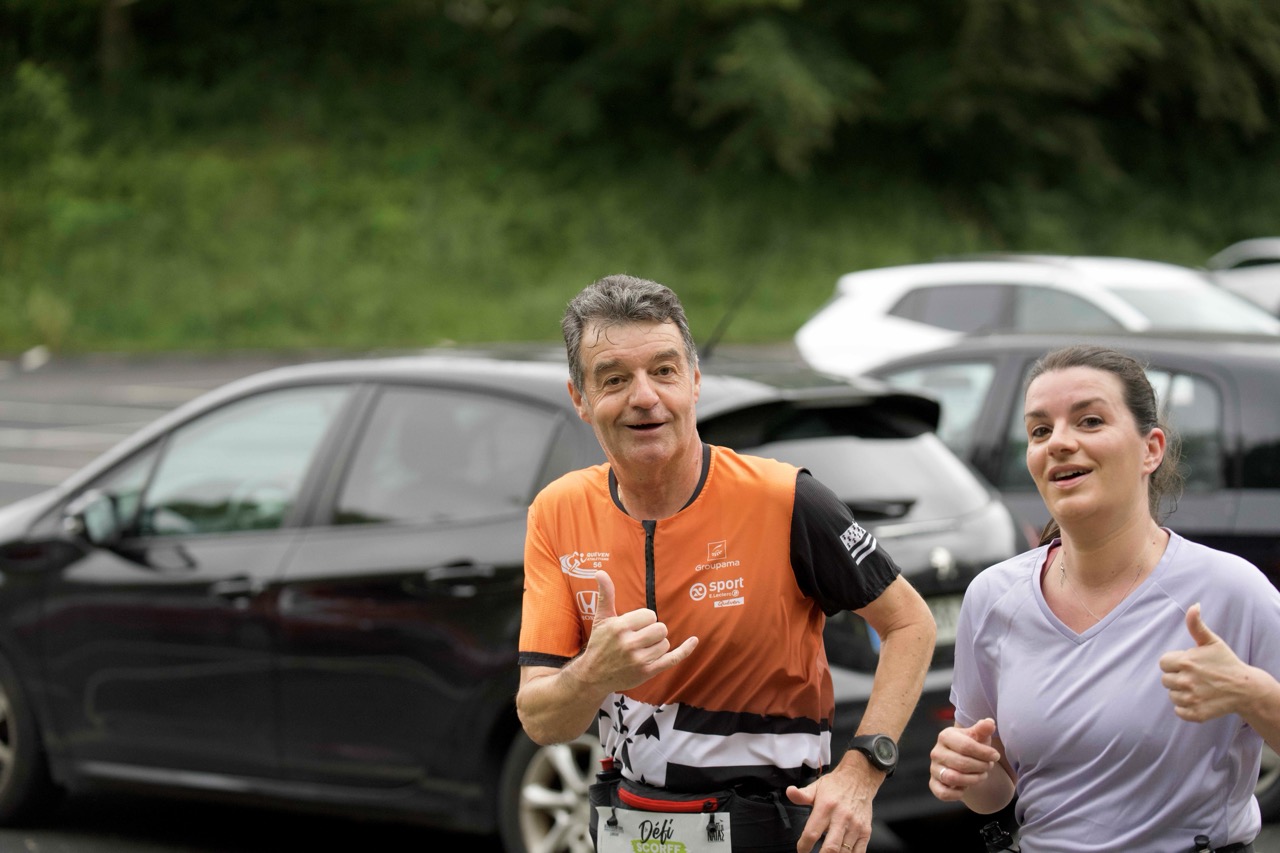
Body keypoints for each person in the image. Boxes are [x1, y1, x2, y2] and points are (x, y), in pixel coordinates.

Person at [515, 274, 936, 853]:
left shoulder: (786, 499)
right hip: (629, 826)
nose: (644, 396)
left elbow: (911, 624)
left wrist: (864, 770)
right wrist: (594, 673)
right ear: (580, 399)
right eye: (614, 379)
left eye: (664, 371)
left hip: (775, 828)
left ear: (694, 381)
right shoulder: (557, 512)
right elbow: (543, 722)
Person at [929, 344, 1280, 852]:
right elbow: (995, 790)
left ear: (1151, 450)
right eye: (1039, 430)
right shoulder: (993, 596)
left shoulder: (1230, 590)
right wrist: (964, 772)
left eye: (1089, 421)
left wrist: (1253, 695)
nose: (1058, 442)